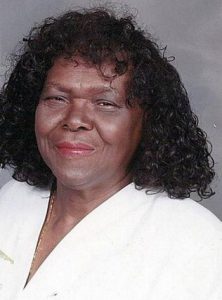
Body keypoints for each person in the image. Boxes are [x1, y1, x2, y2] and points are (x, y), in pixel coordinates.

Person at [0, 7, 221, 300]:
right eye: (56, 98)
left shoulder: (199, 243)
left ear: (147, 122)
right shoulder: (12, 197)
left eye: (105, 103)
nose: (75, 119)